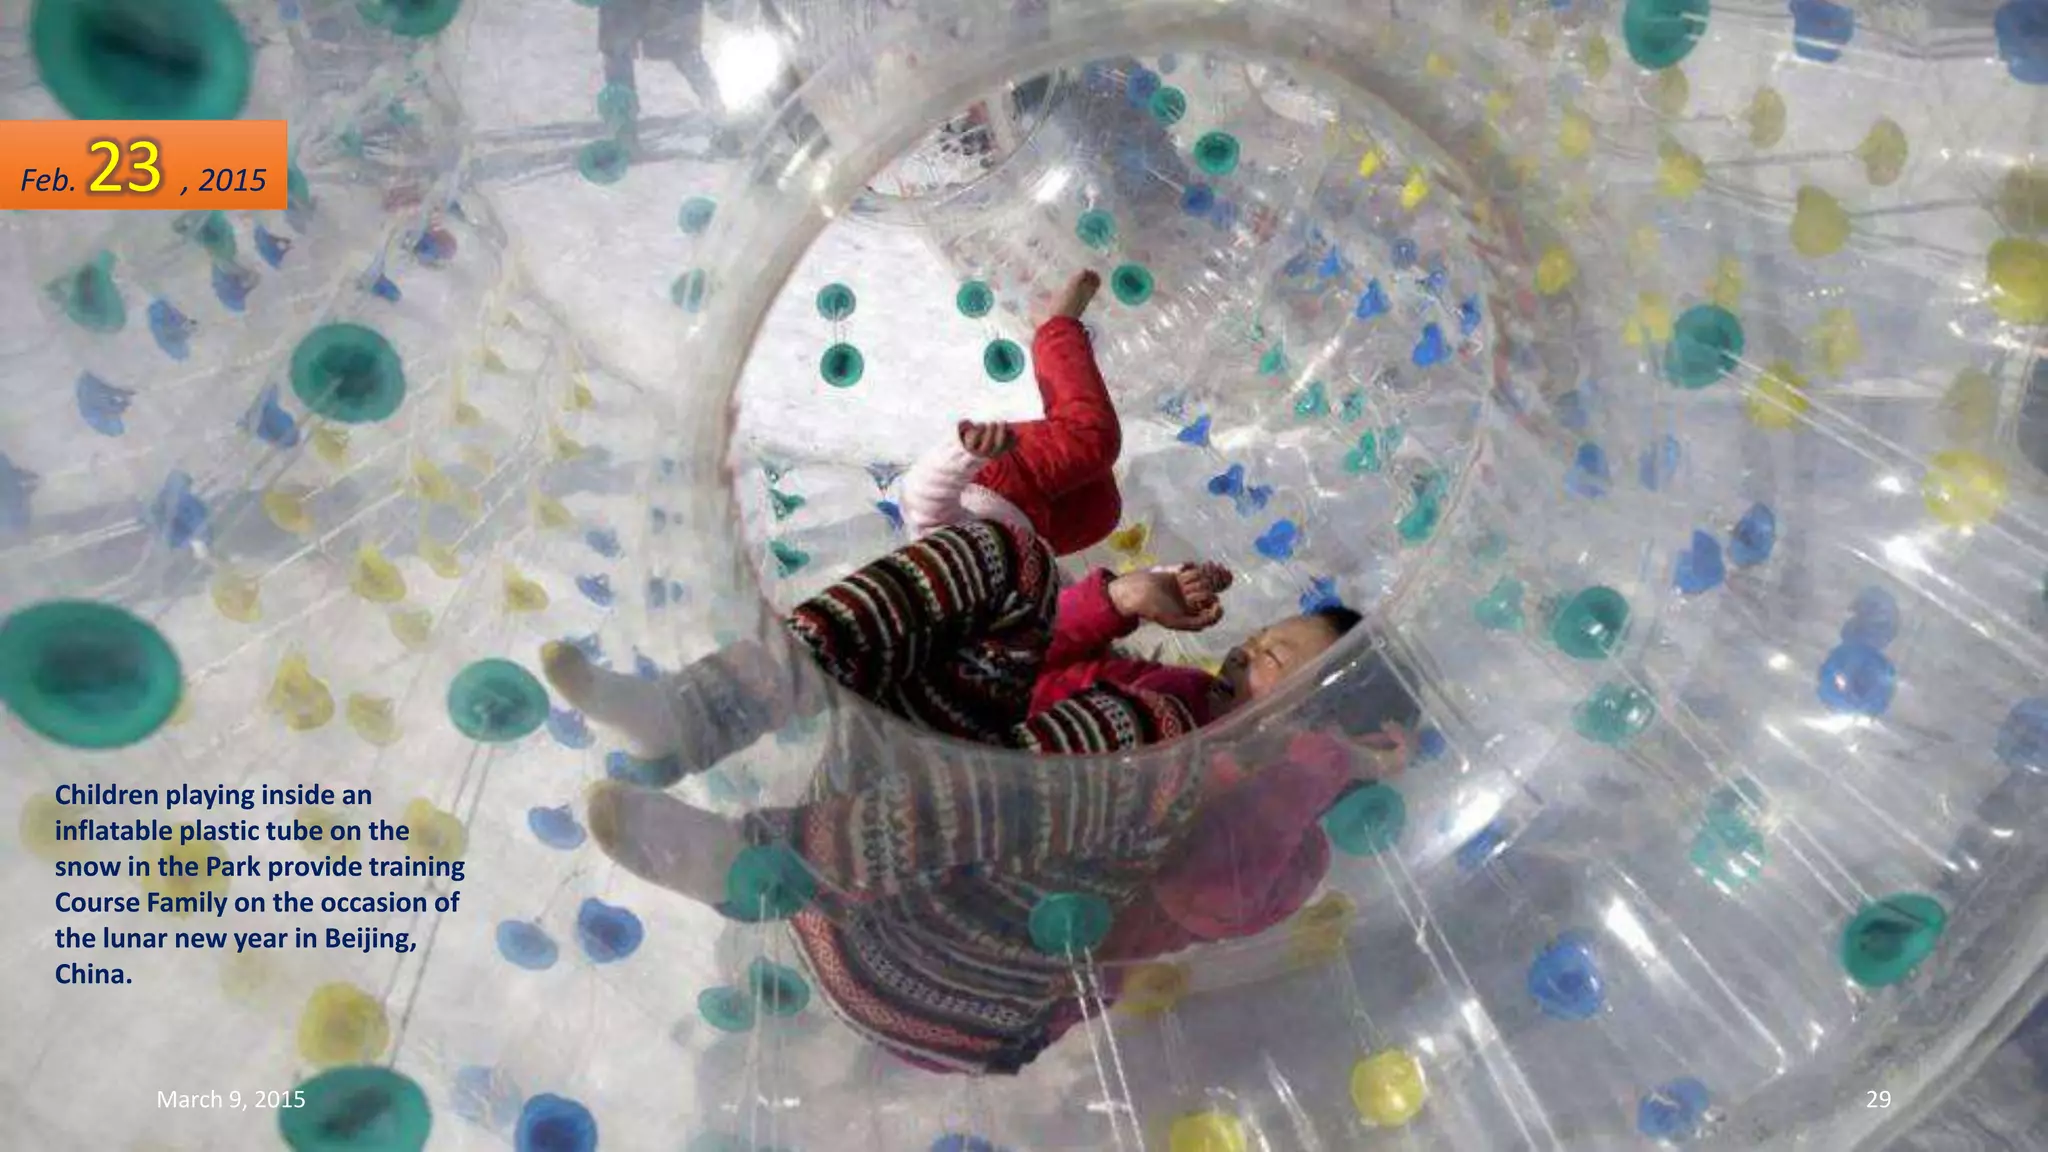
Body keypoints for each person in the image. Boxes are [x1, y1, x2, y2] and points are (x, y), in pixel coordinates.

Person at [543, 518, 1420, 1074]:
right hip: (879, 854)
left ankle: (774, 863)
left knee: (1144, 742)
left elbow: (1207, 895)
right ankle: (697, 711)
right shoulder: (1153, 688)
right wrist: (1119, 600)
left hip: (956, 980)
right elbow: (1025, 681)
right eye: (1257, 637)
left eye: (1277, 661)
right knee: (1013, 560)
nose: (1246, 651)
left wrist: (1316, 765)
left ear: (1329, 722)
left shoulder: (1285, 831)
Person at [900, 270, 1124, 557]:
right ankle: (1075, 454)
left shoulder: (933, 559)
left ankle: (1055, 329)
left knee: (1093, 440)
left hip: (999, 482)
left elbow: (920, 503)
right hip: (1030, 533)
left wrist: (963, 452)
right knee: (1104, 514)